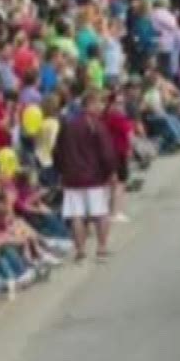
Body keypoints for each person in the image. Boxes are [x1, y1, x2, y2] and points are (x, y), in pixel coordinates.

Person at [54, 89, 120, 263]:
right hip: (94, 177)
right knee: (101, 213)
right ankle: (102, 248)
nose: (101, 106)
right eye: (98, 103)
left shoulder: (68, 125)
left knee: (77, 215)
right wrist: (111, 172)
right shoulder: (96, 125)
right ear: (89, 104)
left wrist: (61, 171)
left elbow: (58, 152)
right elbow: (106, 152)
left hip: (72, 177)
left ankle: (81, 251)